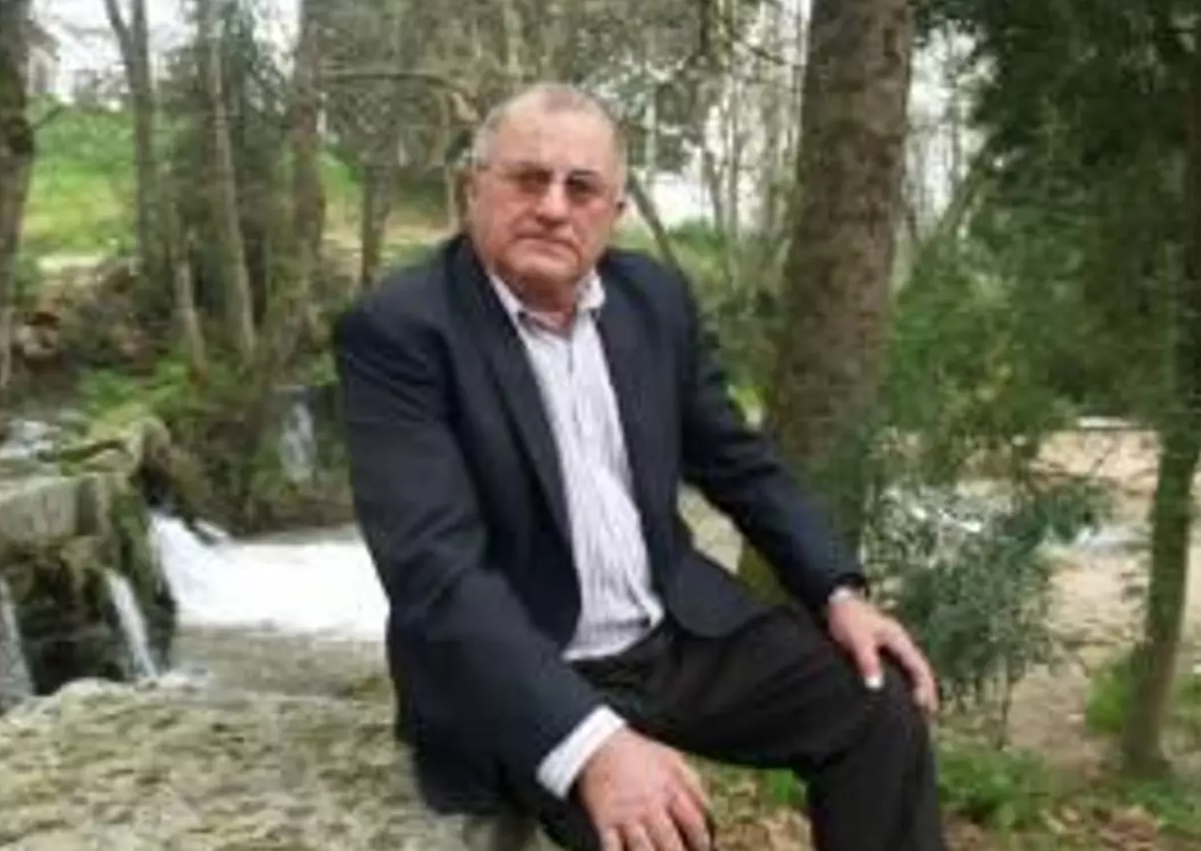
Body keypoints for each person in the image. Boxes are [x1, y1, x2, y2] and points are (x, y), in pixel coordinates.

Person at [334, 82, 947, 851]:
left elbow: (739, 463)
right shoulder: (401, 330)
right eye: (528, 179)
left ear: (613, 211)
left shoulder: (653, 300)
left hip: (673, 635)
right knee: (660, 832)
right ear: (472, 188)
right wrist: (592, 743)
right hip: (523, 667)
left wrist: (837, 591)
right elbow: (435, 570)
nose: (553, 207)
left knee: (878, 706)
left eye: (581, 188)